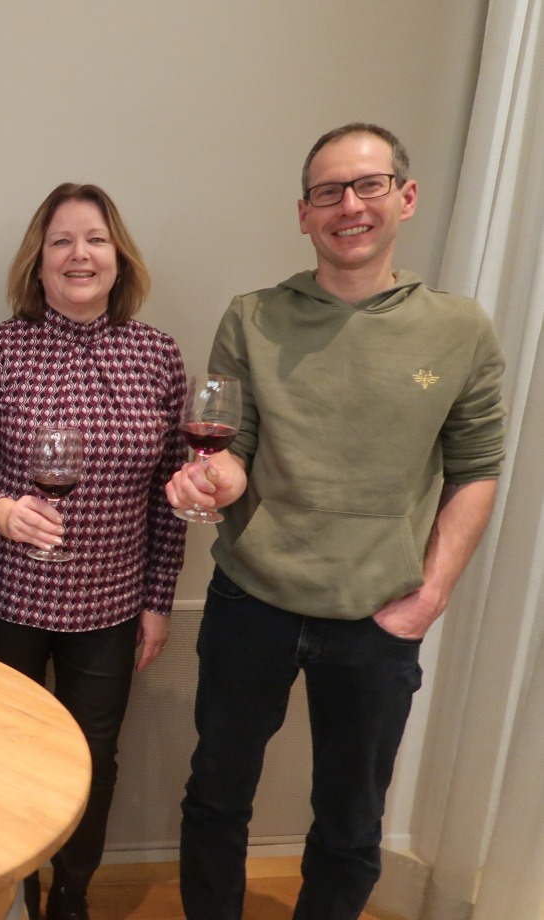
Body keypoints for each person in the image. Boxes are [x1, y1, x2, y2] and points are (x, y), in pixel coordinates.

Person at [168, 123, 506, 919]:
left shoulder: (459, 329)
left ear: (405, 198)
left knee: (351, 824)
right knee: (216, 796)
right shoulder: (254, 317)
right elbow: (236, 450)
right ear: (304, 213)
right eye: (328, 192)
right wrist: (210, 479)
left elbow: (477, 469)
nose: (348, 205)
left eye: (368, 185)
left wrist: (430, 596)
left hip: (377, 618)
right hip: (252, 598)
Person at [0, 182, 187, 920]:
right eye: (62, 241)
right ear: (39, 261)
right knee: (6, 755)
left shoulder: (158, 356)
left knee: (94, 762)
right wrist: (3, 511)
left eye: (95, 239)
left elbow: (171, 495)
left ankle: (72, 897)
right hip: (8, 599)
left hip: (110, 606)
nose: (80, 255)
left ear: (119, 258)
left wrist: (158, 601)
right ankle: (14, 892)